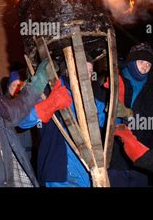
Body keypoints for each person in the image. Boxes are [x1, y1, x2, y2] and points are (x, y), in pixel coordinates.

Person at [19, 57, 105, 187]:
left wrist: (118, 113)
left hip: (88, 174)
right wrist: (50, 104)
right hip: (59, 175)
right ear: (68, 69)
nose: (87, 75)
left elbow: (108, 120)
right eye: (82, 69)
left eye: (90, 71)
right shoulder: (50, 90)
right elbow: (22, 120)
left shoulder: (90, 99)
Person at [108, 42, 153, 187]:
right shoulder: (114, 80)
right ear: (132, 61)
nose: (145, 67)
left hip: (140, 156)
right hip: (114, 155)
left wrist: (130, 116)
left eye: (148, 64)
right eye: (141, 62)